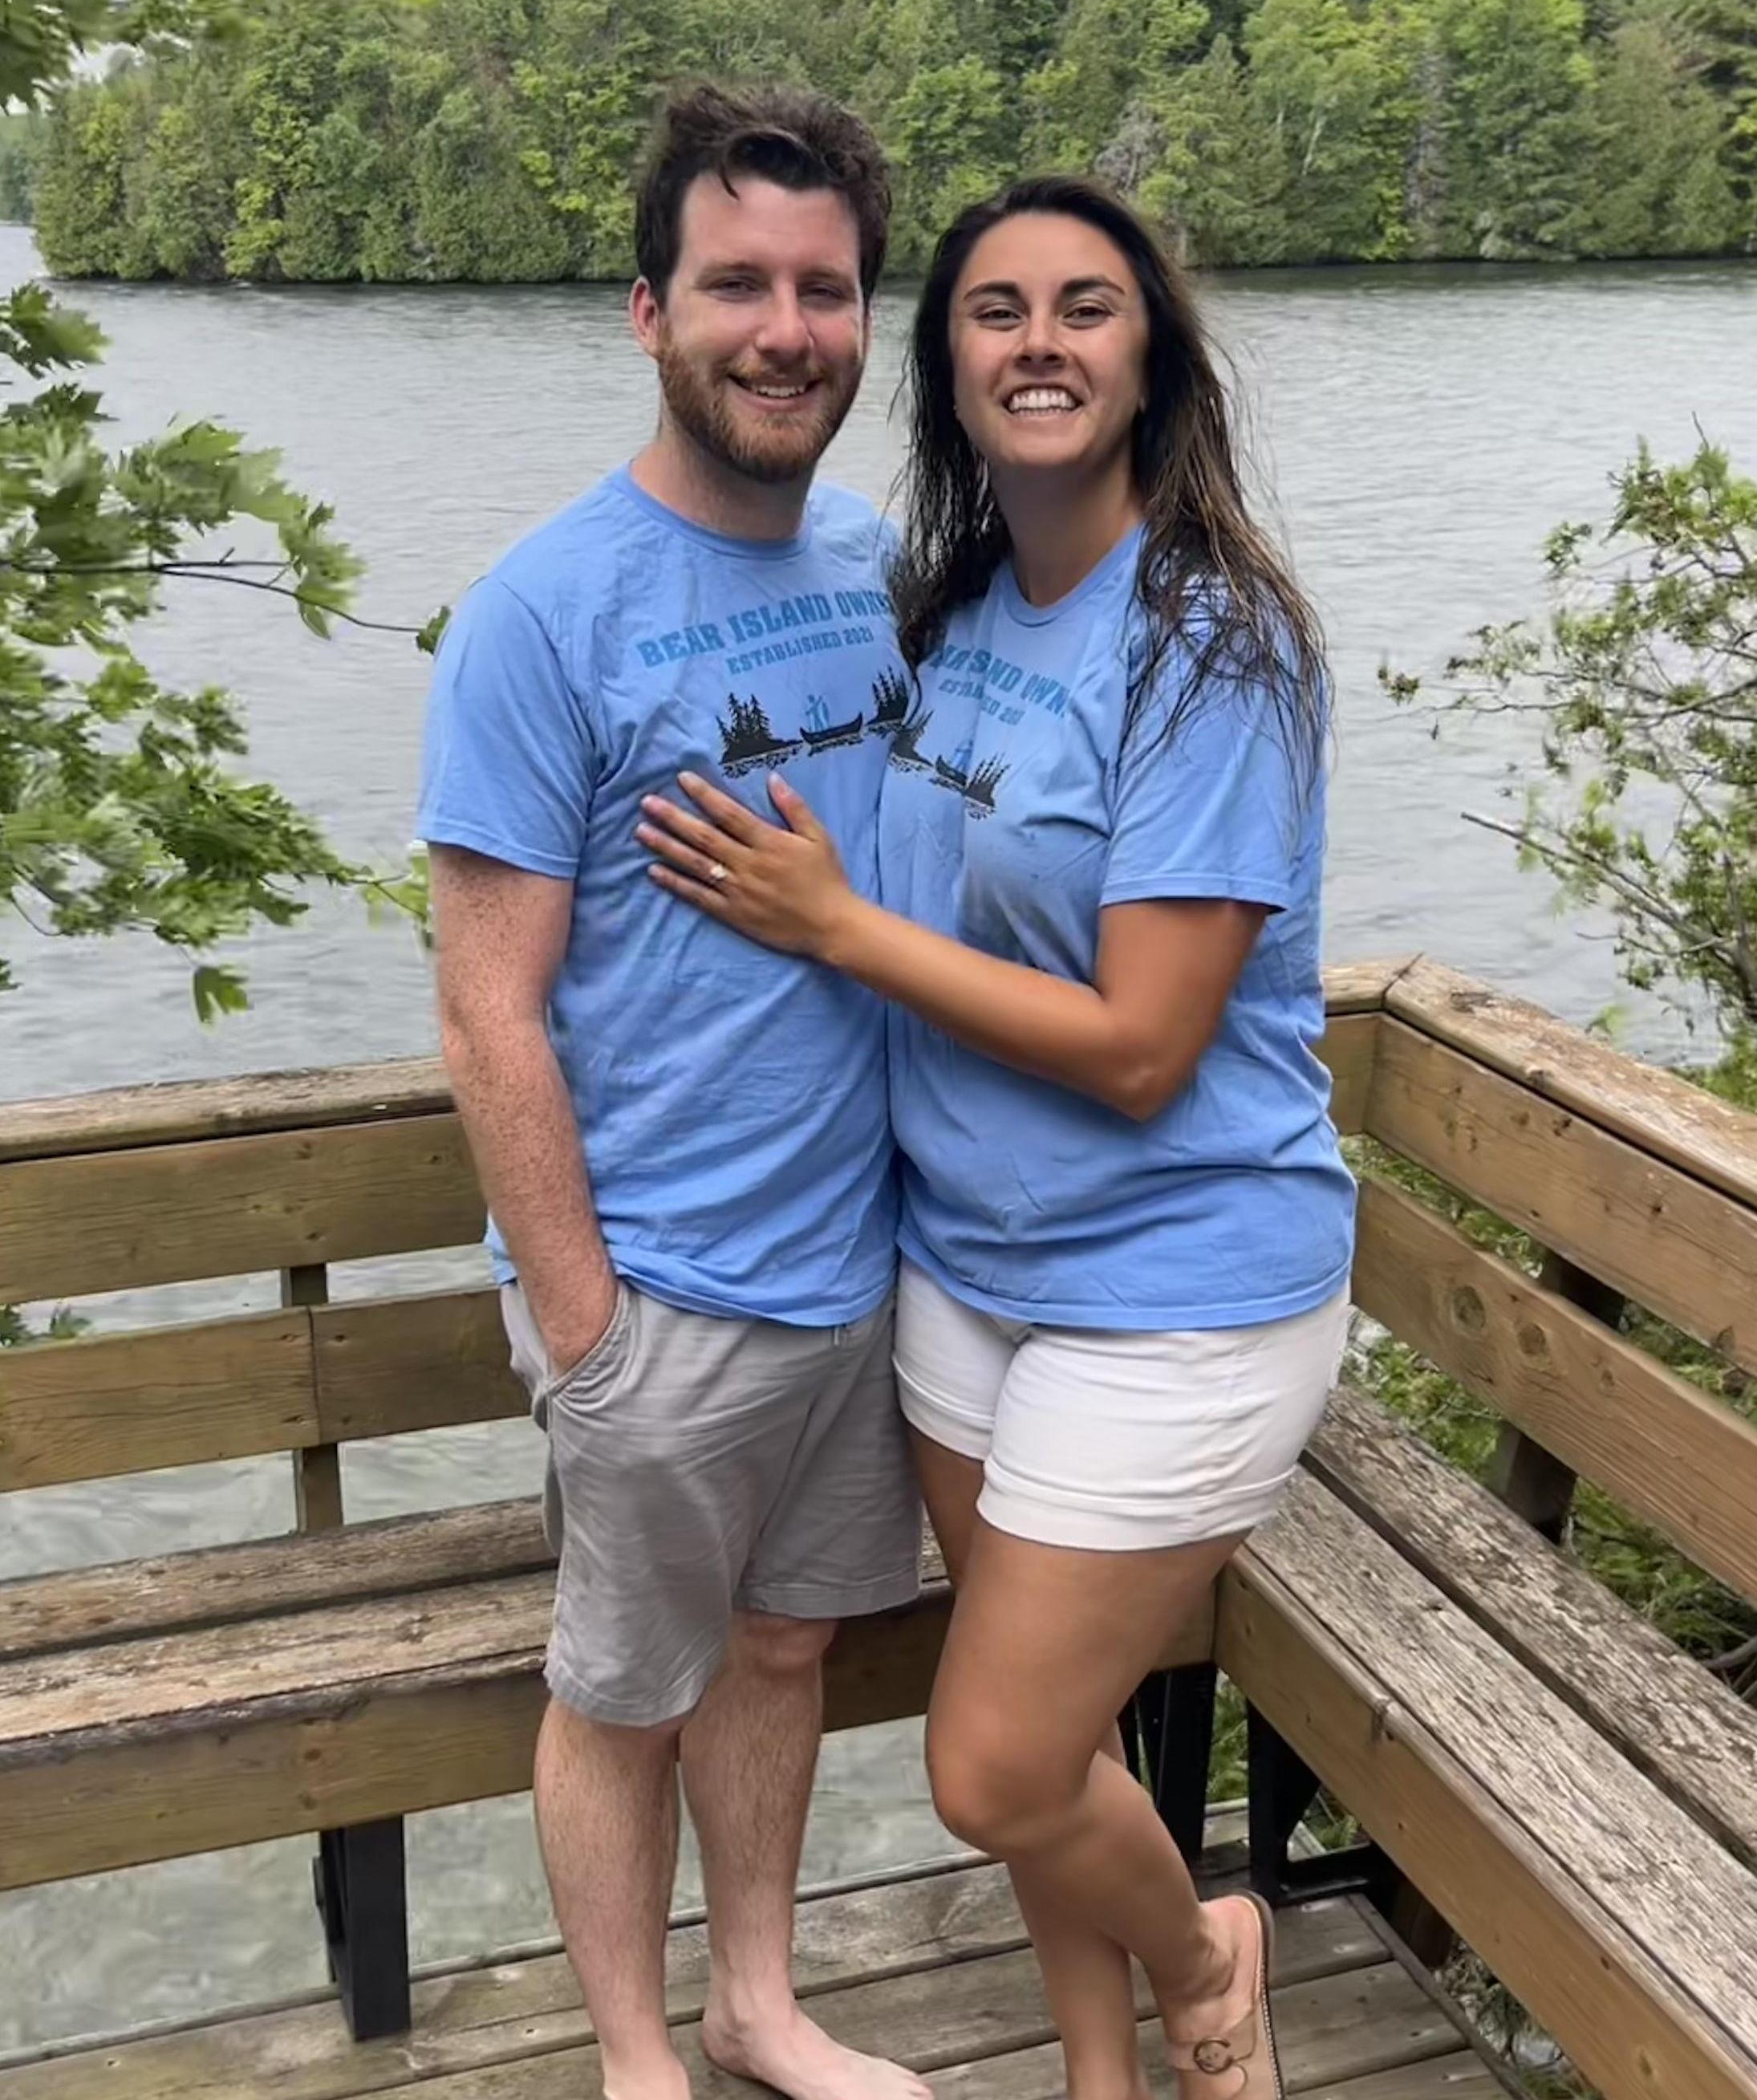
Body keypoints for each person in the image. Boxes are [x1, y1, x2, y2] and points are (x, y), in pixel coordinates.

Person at [638, 175, 1357, 2100]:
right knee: (1068, 1753)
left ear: (1151, 359)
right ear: (942, 364)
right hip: (964, 1272)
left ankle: (1211, 1954)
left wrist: (833, 926)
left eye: (1087, 307)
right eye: (995, 311)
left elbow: (1141, 1046)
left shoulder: (1215, 643)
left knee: (997, 1766)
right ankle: (1103, 2080)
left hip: (1180, 1289)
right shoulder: (943, 615)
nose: (1039, 341)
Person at [416, 83, 927, 2100]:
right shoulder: (543, 612)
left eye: (823, 288)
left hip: (862, 1266)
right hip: (663, 1294)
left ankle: (761, 2003)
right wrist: (583, 1326)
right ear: (649, 309)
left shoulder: (882, 558)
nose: (783, 327)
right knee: (621, 1694)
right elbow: (486, 1009)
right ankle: (639, 2055)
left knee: (789, 1649)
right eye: (737, 283)